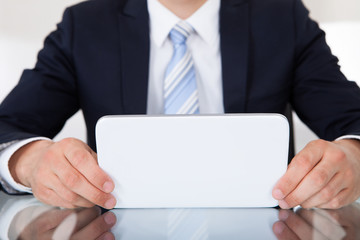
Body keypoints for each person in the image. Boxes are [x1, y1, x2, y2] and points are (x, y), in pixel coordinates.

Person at [0, 0, 360, 210]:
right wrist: (29, 162)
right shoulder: (85, 25)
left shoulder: (282, 18)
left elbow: (352, 120)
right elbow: (8, 126)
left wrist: (354, 157)